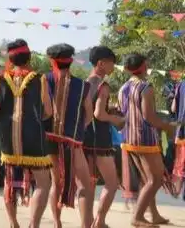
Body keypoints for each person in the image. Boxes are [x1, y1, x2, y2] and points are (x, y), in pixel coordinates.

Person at [0, 39, 53, 228]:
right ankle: (33, 224)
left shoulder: (2, 78)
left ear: (11, 58)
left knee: (9, 182)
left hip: (10, 140)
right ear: (29, 57)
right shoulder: (39, 78)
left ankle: (13, 223)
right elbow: (48, 111)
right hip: (34, 139)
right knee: (43, 183)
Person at [119, 53, 176, 227]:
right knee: (155, 179)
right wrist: (167, 126)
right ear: (143, 66)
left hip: (128, 137)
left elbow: (123, 112)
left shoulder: (123, 88)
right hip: (144, 139)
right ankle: (137, 216)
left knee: (147, 179)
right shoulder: (146, 87)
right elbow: (149, 117)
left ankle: (154, 214)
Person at [42, 44, 95, 228]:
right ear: (70, 61)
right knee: (84, 185)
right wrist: (78, 131)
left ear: (52, 61)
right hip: (72, 142)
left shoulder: (44, 80)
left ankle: (57, 224)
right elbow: (89, 115)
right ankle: (85, 225)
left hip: (49, 140)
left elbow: (42, 111)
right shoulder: (82, 86)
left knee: (56, 182)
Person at [84, 46, 123, 228]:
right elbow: (99, 114)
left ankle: (88, 221)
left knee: (89, 183)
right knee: (112, 183)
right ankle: (99, 221)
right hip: (99, 138)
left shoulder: (85, 83)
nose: (113, 67)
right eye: (111, 63)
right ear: (101, 63)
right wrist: (114, 119)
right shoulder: (102, 85)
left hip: (84, 138)